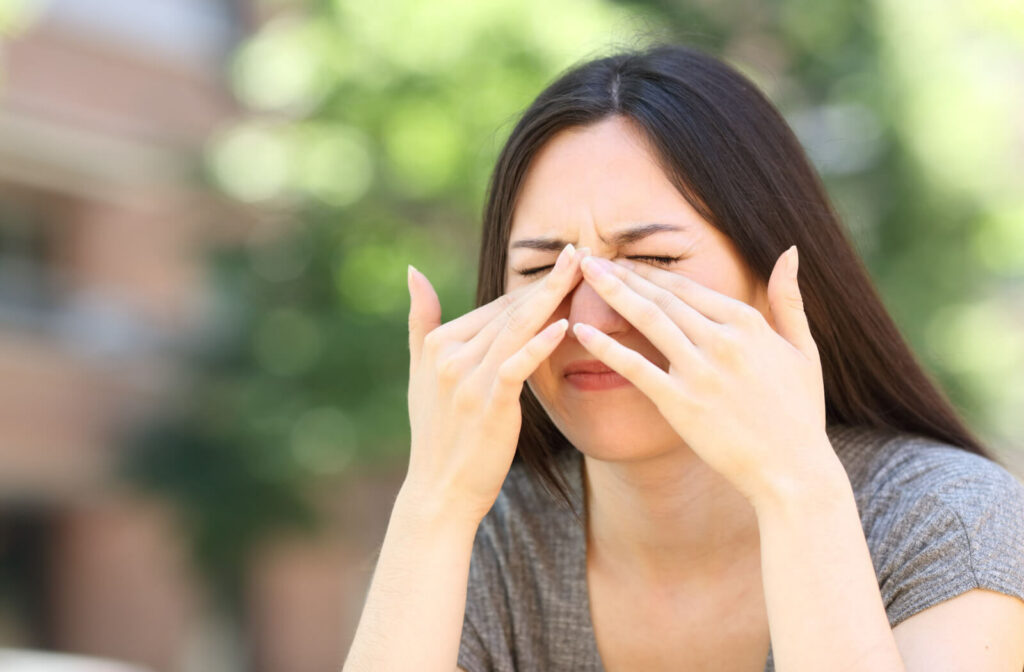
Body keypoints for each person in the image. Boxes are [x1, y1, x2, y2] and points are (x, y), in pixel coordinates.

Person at [343, 43, 1024, 672]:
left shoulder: (950, 523)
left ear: (774, 282)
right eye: (543, 269)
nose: (587, 318)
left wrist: (796, 489)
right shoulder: (490, 544)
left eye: (650, 262)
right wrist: (434, 503)